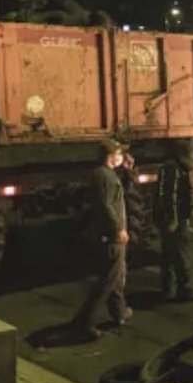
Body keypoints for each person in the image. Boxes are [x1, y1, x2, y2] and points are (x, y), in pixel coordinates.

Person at [72, 139, 131, 337]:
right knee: (109, 280)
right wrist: (118, 229)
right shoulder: (103, 175)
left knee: (117, 274)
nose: (121, 156)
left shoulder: (108, 174)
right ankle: (86, 321)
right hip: (110, 235)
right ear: (110, 155)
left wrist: (128, 172)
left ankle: (119, 312)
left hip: (110, 233)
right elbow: (106, 206)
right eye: (118, 153)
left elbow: (118, 197)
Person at [156, 140, 193, 301]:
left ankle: (168, 288)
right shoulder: (174, 168)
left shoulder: (177, 167)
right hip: (175, 218)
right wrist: (172, 219)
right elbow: (170, 195)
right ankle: (184, 288)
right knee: (180, 253)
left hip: (175, 217)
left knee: (169, 253)